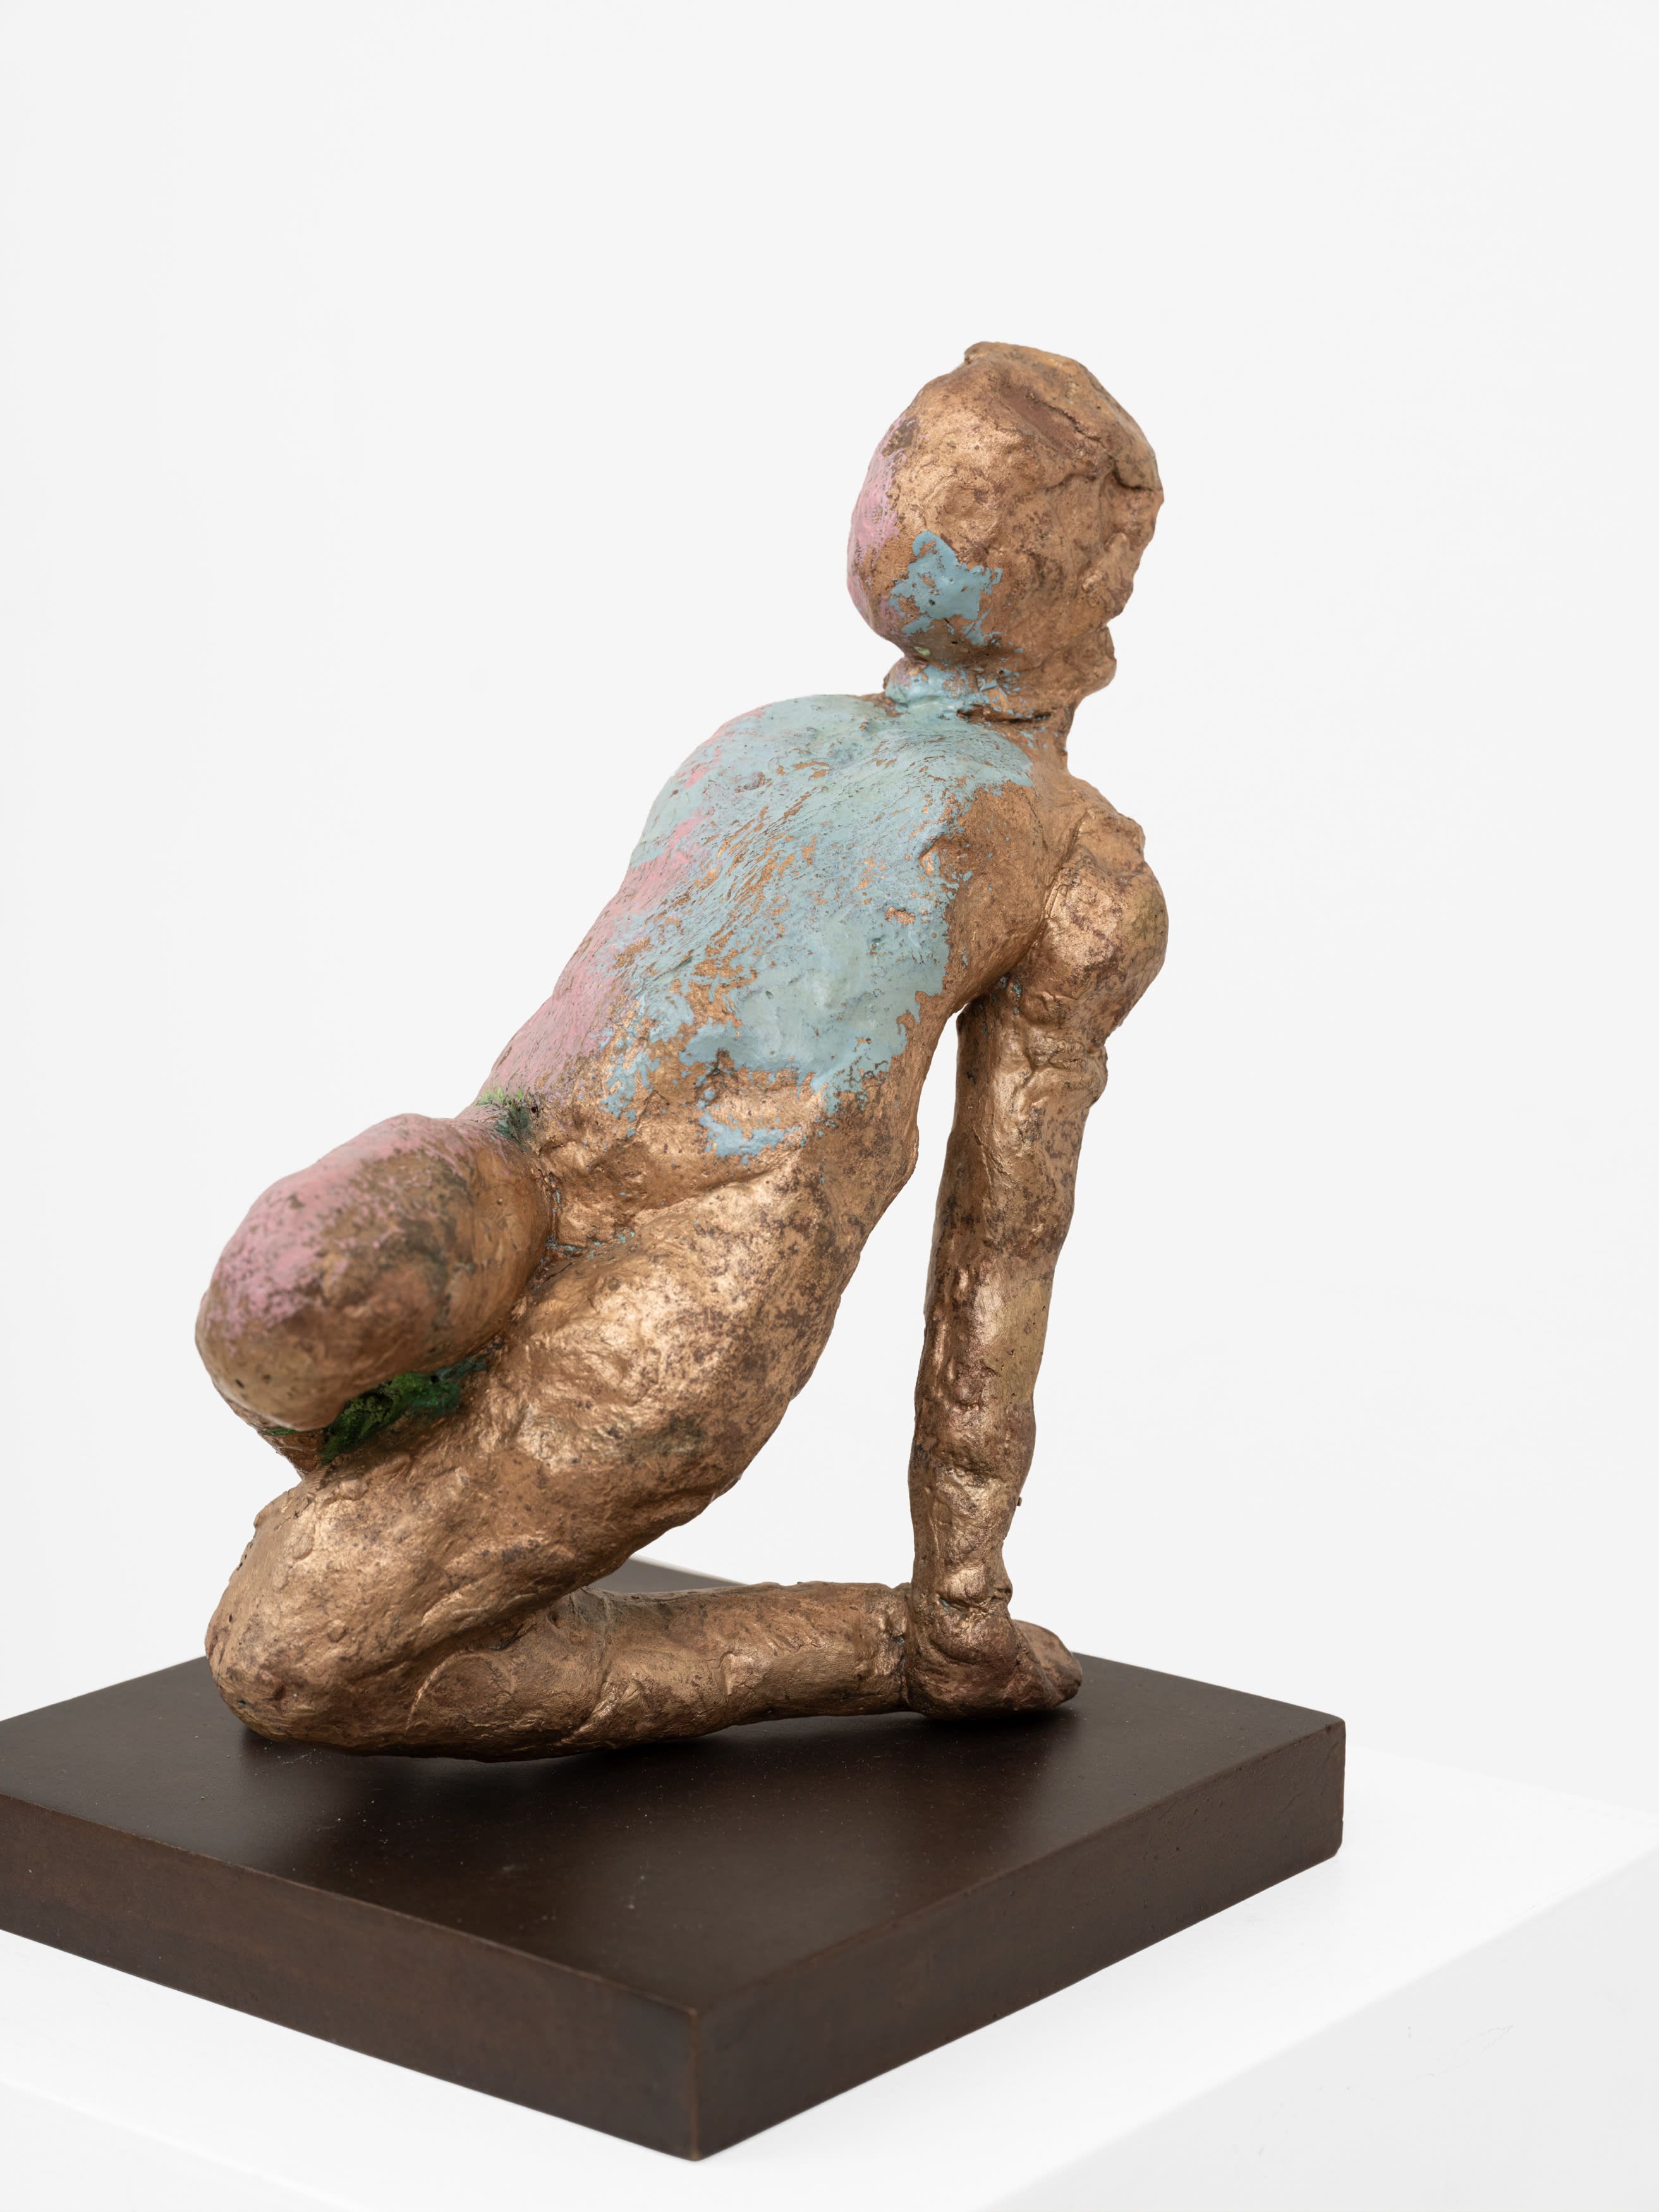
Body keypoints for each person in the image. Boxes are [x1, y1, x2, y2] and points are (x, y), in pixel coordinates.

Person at [198, 341, 1169, 1757]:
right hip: (515, 1191)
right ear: (1102, 576)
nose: (896, 493)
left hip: (662, 1292)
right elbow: (1000, 1257)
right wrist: (962, 1592)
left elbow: (998, 1242)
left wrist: (960, 1601)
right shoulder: (783, 751)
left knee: (290, 1661)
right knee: (297, 1305)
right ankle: (395, 1526)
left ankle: (871, 1641)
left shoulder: (1018, 841)